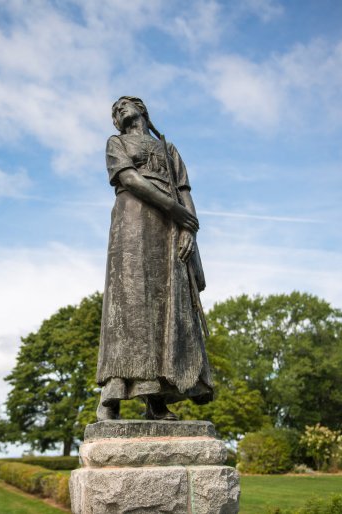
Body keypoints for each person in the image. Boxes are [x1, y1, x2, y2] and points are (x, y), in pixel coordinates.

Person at [97, 96, 214, 421]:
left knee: (166, 309)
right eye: (114, 111)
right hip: (133, 223)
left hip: (169, 230)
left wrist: (188, 229)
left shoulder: (168, 148)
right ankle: (113, 392)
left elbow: (184, 191)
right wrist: (174, 210)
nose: (118, 111)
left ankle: (156, 399)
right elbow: (130, 179)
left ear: (142, 109)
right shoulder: (116, 142)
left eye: (123, 105)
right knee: (132, 303)